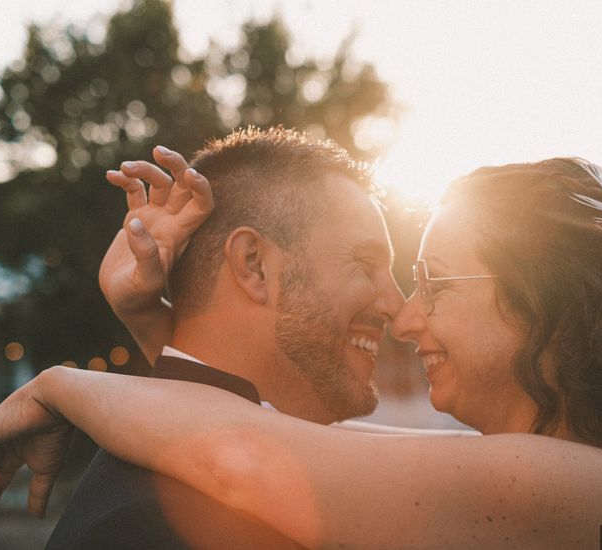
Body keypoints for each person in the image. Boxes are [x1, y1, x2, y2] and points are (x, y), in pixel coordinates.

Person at [0, 157, 602, 549]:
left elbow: (256, 458)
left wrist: (59, 385)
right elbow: (273, 434)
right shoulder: (575, 476)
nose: (406, 317)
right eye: (380, 271)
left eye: (435, 283)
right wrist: (154, 326)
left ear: (546, 302)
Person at [44, 127, 411, 549]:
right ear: (253, 265)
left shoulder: (271, 479)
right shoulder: (142, 526)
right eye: (366, 265)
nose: (397, 307)